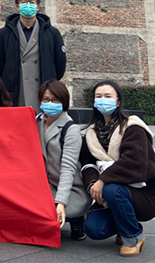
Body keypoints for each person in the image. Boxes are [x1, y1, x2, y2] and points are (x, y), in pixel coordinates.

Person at [79, 80, 155, 257]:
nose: (103, 100)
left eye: (108, 96)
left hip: (144, 193)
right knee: (93, 229)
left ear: (118, 101)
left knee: (112, 189)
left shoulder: (133, 127)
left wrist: (103, 180)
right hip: (110, 195)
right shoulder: (91, 133)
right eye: (98, 96)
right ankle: (124, 224)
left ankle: (133, 237)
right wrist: (93, 183)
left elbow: (134, 162)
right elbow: (87, 163)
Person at [0, 0, 66, 112]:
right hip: (16, 89)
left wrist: (49, 78)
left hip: (43, 88)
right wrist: (10, 78)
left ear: (38, 7)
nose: (28, 5)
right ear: (17, 7)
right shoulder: (5, 33)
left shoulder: (52, 33)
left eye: (32, 2)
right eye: (23, 2)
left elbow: (60, 63)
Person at [36, 80, 91, 241]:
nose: (50, 103)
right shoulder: (36, 121)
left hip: (71, 187)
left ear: (64, 102)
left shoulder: (71, 129)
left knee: (56, 212)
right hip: (44, 185)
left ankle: (77, 218)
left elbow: (68, 169)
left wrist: (61, 202)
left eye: (55, 100)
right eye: (46, 99)